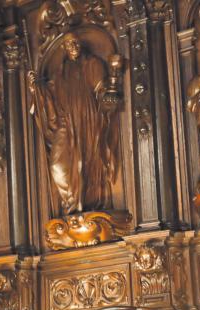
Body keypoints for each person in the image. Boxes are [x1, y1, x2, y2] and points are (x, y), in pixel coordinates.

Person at [28, 33, 120, 216]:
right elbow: (48, 99)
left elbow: (104, 95)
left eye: (75, 42)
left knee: (85, 162)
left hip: (87, 120)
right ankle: (70, 202)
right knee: (57, 164)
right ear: (64, 47)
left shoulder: (93, 64)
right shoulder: (60, 72)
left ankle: (85, 204)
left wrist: (112, 92)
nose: (73, 46)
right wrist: (36, 88)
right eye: (69, 43)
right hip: (65, 121)